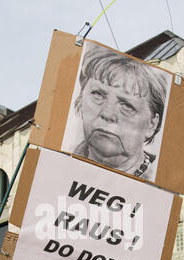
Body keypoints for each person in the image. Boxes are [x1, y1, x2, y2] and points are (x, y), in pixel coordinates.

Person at [70, 44, 170, 181]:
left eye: (127, 106)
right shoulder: (56, 165)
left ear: (152, 124)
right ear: (81, 98)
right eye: (98, 95)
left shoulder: (160, 184)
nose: (107, 114)